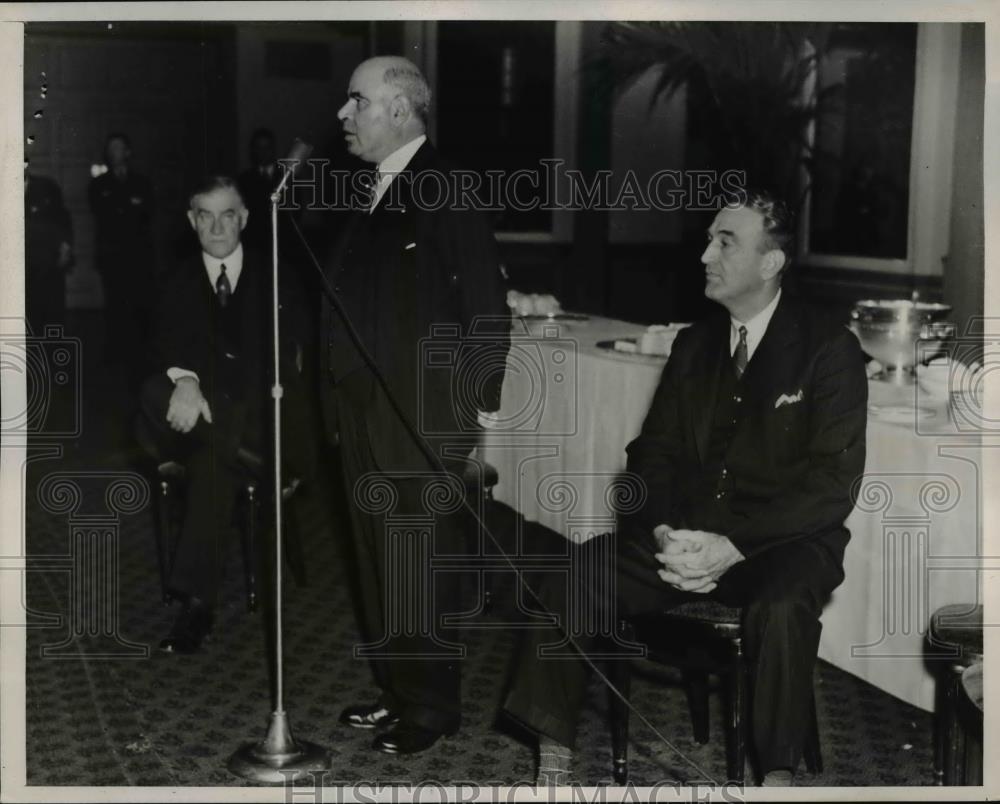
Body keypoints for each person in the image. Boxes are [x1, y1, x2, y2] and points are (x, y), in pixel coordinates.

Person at [503, 190, 868, 786]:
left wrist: (734, 545)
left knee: (782, 607)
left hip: (780, 544)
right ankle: (554, 759)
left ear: (770, 263)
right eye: (708, 238)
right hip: (685, 535)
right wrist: (664, 528)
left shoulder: (829, 349)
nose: (705, 254)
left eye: (725, 242)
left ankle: (776, 778)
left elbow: (832, 485)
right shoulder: (694, 344)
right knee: (569, 575)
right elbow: (651, 455)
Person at [319, 56, 510, 755]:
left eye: (356, 101)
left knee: (417, 565)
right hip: (362, 413)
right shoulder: (368, 188)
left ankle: (430, 708)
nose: (344, 115)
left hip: (422, 419)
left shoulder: (448, 186)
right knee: (377, 559)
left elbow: (487, 311)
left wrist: (470, 416)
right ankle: (396, 688)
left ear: (400, 110)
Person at [136, 175, 304, 654]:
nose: (215, 227)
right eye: (204, 216)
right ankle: (243, 452)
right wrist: (186, 380)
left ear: (245, 219)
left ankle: (197, 606)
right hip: (186, 424)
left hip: (249, 416)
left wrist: (212, 393)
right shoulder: (174, 278)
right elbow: (154, 350)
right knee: (155, 389)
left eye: (226, 214)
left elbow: (283, 361)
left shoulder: (277, 275)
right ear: (191, 221)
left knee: (213, 457)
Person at [88, 132, 155, 392]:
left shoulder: (141, 182)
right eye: (111, 147)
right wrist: (127, 208)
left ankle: (138, 354)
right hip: (112, 254)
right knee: (115, 302)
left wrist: (125, 209)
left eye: (120, 147)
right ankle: (115, 352)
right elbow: (103, 212)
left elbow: (147, 212)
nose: (115, 151)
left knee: (139, 303)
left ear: (128, 152)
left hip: (138, 255)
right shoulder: (98, 184)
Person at [24, 168, 74, 332]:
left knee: (53, 323)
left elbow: (63, 219)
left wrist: (66, 248)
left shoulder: (47, 186)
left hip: (48, 268)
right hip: (18, 271)